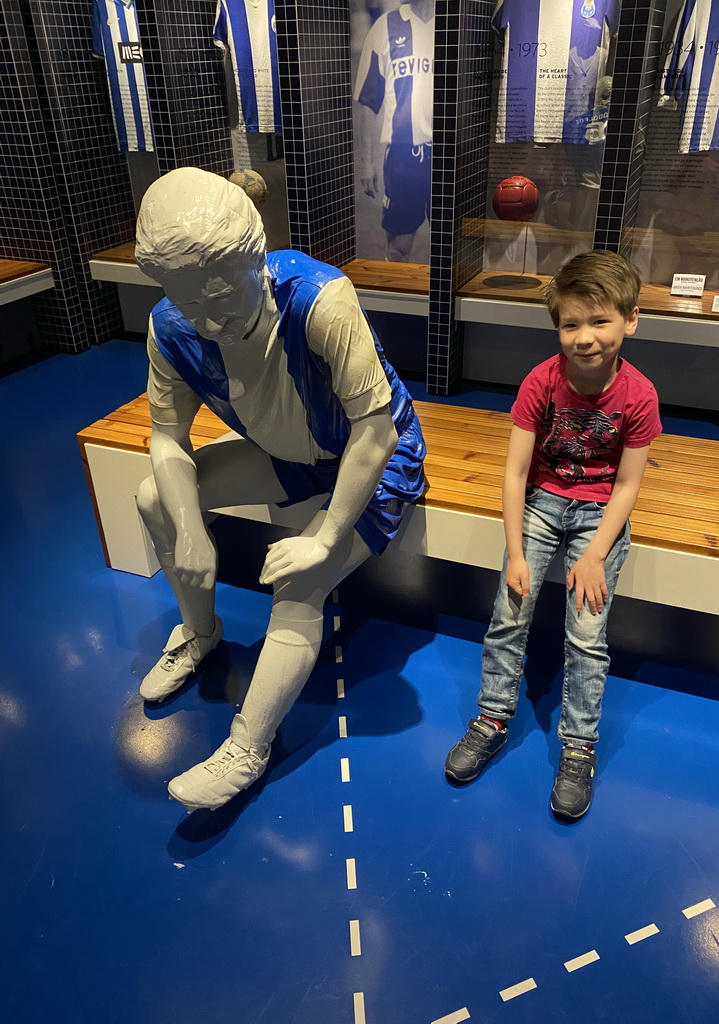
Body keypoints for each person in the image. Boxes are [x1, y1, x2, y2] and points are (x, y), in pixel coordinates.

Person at [133, 167, 425, 812]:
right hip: (288, 452)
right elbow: (165, 438)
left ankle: (248, 745)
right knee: (155, 499)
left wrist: (324, 535)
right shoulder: (171, 327)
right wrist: (188, 532)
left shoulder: (320, 299)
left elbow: (374, 430)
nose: (208, 322)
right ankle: (198, 632)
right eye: (188, 304)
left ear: (254, 259)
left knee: (299, 580)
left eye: (221, 299)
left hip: (370, 458)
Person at [444, 250, 661, 820]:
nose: (584, 337)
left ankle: (578, 748)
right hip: (544, 501)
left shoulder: (638, 396)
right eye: (570, 324)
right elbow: (516, 472)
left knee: (587, 634)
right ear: (557, 326)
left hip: (599, 512)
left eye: (599, 321)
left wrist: (594, 556)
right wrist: (516, 552)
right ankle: (492, 718)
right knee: (509, 612)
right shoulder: (542, 382)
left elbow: (628, 487)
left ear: (630, 319)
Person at [353, 0, 434, 261]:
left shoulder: (451, 26)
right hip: (402, 156)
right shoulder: (384, 27)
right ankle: (398, 301)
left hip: (449, 155)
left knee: (452, 243)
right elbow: (368, 100)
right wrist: (366, 161)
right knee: (399, 247)